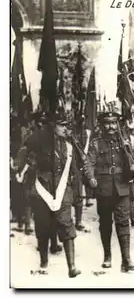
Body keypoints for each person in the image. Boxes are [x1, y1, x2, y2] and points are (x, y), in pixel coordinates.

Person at [16, 111, 83, 278]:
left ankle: (72, 266)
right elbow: (23, 154)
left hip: (62, 189)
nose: (65, 128)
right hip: (42, 189)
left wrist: (76, 191)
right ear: (52, 126)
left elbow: (74, 167)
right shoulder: (37, 140)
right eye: (61, 125)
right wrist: (20, 165)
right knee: (43, 226)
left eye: (66, 125)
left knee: (67, 224)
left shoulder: (68, 144)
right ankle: (44, 261)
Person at [86, 110, 134, 272]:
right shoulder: (96, 143)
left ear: (118, 124)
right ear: (102, 125)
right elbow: (89, 163)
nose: (111, 126)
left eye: (114, 123)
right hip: (104, 187)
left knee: (123, 221)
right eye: (107, 123)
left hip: (122, 186)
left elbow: (133, 160)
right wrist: (90, 177)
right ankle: (107, 256)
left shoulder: (124, 141)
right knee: (106, 223)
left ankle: (126, 259)